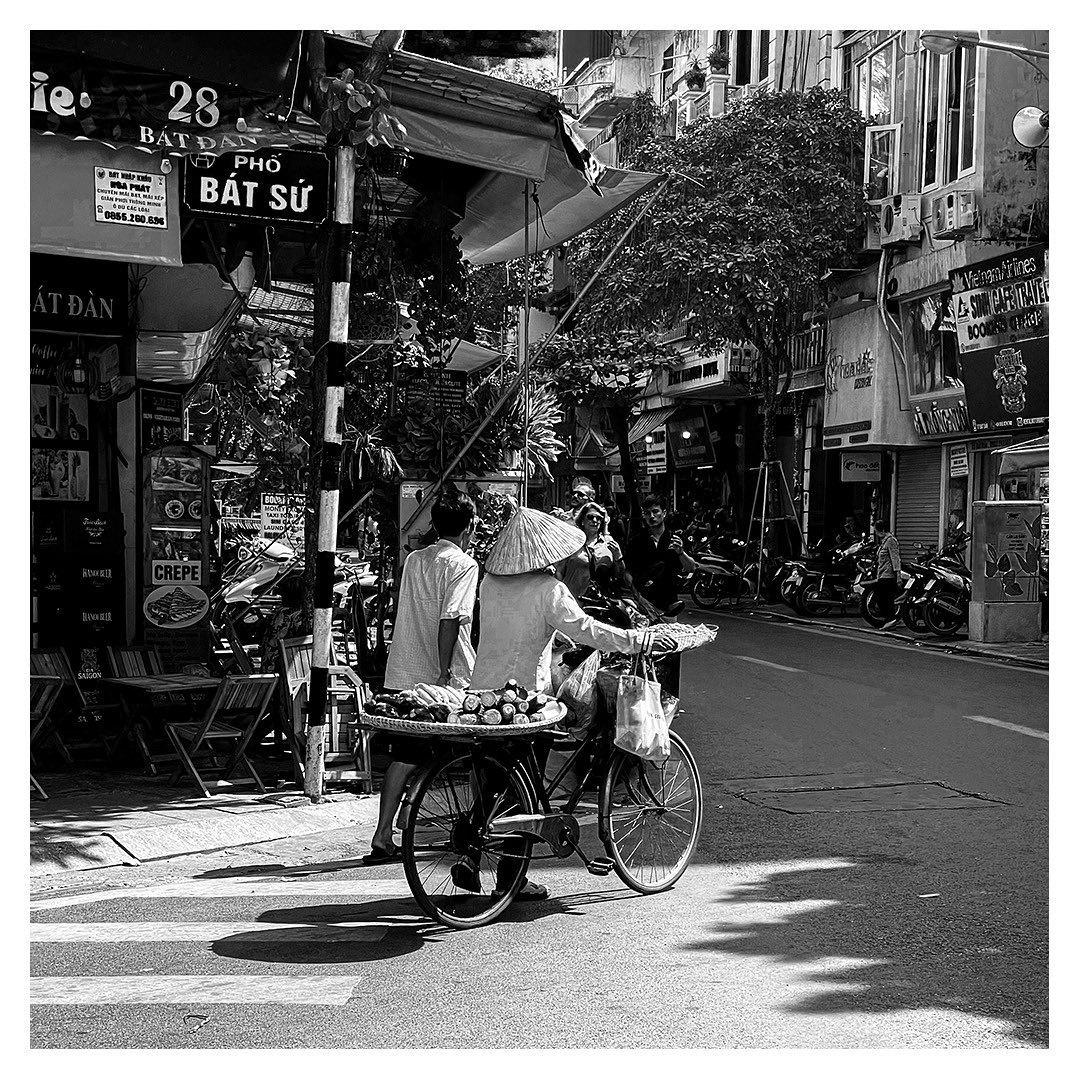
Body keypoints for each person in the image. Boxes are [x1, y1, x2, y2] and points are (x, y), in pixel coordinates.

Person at [466, 506, 678, 900]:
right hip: (525, 699)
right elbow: (587, 629)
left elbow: (513, 630)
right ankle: (511, 882)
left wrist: (552, 638)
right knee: (522, 792)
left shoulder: (491, 582)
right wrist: (638, 640)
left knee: (494, 781)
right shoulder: (550, 590)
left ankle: (470, 855)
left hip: (482, 695)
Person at [362, 494, 479, 865]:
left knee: (406, 753)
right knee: (465, 750)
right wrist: (444, 672)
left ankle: (388, 828)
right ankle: (394, 827)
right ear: (470, 527)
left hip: (403, 669)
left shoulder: (415, 559)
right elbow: (450, 619)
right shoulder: (463, 564)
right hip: (438, 675)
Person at [624, 496, 696, 613]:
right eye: (647, 513)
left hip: (670, 605)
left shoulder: (676, 539)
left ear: (664, 513)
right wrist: (637, 596)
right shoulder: (636, 542)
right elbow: (627, 572)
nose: (651, 516)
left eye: (655, 511)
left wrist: (681, 553)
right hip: (643, 605)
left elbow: (691, 568)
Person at [561, 501, 627, 600]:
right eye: (590, 517)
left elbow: (620, 576)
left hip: (601, 603)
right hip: (573, 602)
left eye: (599, 518)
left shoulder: (608, 543)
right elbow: (559, 573)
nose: (595, 520)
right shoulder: (572, 543)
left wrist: (618, 556)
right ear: (582, 520)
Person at [873, 518, 902, 630]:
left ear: (882, 530)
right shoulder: (884, 542)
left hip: (888, 575)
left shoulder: (891, 541)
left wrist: (898, 577)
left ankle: (891, 620)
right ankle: (889, 620)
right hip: (882, 574)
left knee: (885, 599)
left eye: (876, 530)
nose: (875, 532)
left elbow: (895, 559)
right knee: (881, 598)